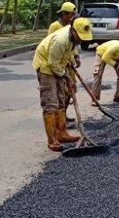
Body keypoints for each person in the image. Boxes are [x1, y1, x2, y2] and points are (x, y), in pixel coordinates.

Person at [32, 17, 93, 152]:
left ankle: (62, 133)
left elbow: (66, 54)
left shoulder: (73, 38)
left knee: (62, 99)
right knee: (51, 103)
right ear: (73, 30)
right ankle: (52, 139)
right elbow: (53, 63)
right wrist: (67, 77)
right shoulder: (60, 40)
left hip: (59, 66)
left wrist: (69, 69)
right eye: (80, 36)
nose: (82, 40)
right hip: (46, 67)